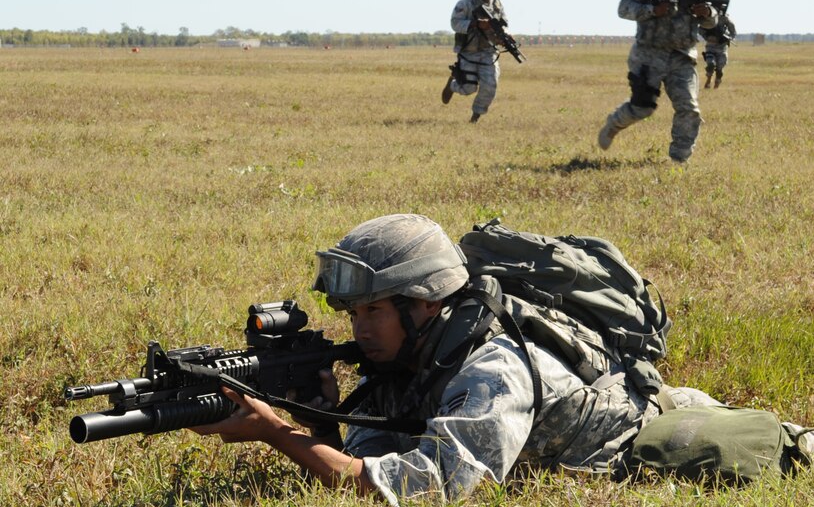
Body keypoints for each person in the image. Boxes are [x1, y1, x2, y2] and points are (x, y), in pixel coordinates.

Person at [190, 213, 814, 504]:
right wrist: (319, 425)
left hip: (639, 429)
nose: (360, 329)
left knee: (775, 448)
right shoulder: (414, 352)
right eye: (353, 313)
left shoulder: (492, 370)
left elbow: (431, 488)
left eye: (373, 310)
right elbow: (375, 458)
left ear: (425, 303)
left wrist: (278, 434)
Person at [598, 0, 719, 163]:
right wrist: (653, 10)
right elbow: (624, 8)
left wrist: (706, 13)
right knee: (643, 108)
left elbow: (712, 21)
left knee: (689, 109)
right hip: (649, 56)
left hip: (682, 57)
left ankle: (679, 161)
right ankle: (614, 124)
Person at [441, 0, 510, 123]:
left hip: (489, 53)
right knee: (468, 88)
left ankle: (474, 119)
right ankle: (452, 84)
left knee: (490, 86)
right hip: (469, 52)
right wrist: (476, 24)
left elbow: (504, 24)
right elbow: (455, 23)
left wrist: (503, 37)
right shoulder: (465, 3)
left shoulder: (497, 5)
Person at [701, 12, 737, 88]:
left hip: (722, 48)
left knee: (719, 69)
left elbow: (733, 31)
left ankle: (717, 83)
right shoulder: (708, 16)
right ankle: (709, 80)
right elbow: (701, 29)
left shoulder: (725, 18)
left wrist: (728, 38)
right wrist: (707, 36)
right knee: (710, 64)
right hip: (710, 47)